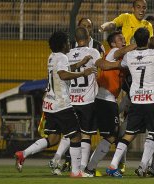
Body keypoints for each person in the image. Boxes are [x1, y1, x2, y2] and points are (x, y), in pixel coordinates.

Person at [97, 27, 154, 178]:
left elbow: (115, 65)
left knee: (129, 135)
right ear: (149, 39)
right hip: (153, 101)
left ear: (136, 41)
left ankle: (112, 166)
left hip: (136, 101)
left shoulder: (129, 56)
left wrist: (101, 62)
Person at [14, 30, 96, 177]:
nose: (69, 43)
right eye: (67, 41)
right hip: (61, 104)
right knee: (76, 136)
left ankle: (23, 153)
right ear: (63, 44)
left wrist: (80, 64)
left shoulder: (52, 57)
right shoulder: (63, 57)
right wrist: (83, 73)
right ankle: (76, 172)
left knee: (53, 139)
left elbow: (62, 70)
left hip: (50, 104)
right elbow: (63, 74)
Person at [49, 27, 101, 175]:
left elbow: (65, 70)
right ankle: (82, 168)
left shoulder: (68, 54)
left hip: (71, 100)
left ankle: (58, 160)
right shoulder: (93, 52)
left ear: (75, 40)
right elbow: (101, 65)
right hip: (87, 100)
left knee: (70, 134)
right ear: (89, 36)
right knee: (85, 135)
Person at [85, 31, 136, 177]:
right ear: (113, 44)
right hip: (105, 99)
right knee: (112, 136)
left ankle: (94, 167)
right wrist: (139, 43)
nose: (124, 41)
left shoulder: (119, 58)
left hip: (106, 99)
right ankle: (90, 168)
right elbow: (123, 50)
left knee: (115, 135)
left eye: (124, 38)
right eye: (120, 39)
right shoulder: (113, 52)